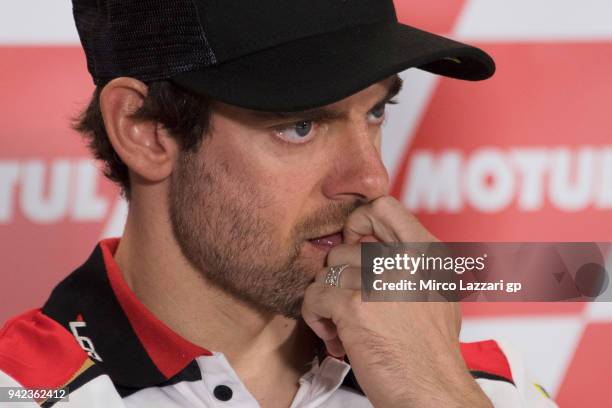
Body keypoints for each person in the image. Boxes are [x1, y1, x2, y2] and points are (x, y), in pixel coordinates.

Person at [0, 1, 556, 407]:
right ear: (143, 130)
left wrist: (433, 393)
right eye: (302, 125)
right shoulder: (20, 391)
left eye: (376, 112)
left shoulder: (485, 387)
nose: (371, 177)